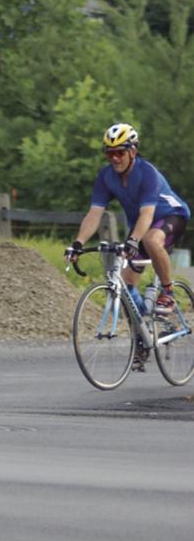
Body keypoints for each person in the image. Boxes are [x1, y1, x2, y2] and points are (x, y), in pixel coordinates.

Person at [65, 123, 189, 371]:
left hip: (170, 216)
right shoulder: (106, 176)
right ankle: (142, 339)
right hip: (141, 227)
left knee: (152, 240)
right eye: (109, 153)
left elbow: (147, 214)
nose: (114, 158)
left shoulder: (147, 173)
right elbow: (94, 213)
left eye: (120, 152)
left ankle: (168, 293)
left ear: (133, 151)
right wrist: (77, 243)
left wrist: (132, 241)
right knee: (126, 287)